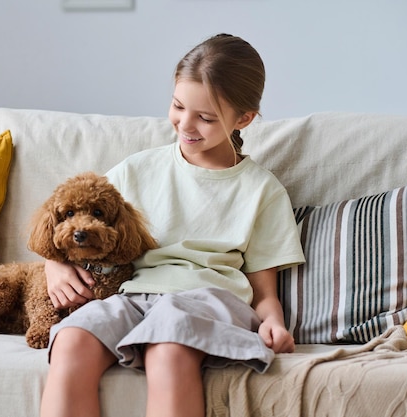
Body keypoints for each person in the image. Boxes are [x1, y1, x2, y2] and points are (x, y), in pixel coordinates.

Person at [40, 33, 305, 417]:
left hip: (209, 299)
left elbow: (265, 292)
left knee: (168, 348)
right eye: (178, 106)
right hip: (136, 296)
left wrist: (275, 324)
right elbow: (70, 214)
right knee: (72, 339)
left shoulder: (262, 191)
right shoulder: (137, 169)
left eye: (206, 117)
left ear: (243, 118)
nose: (185, 123)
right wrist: (54, 264)